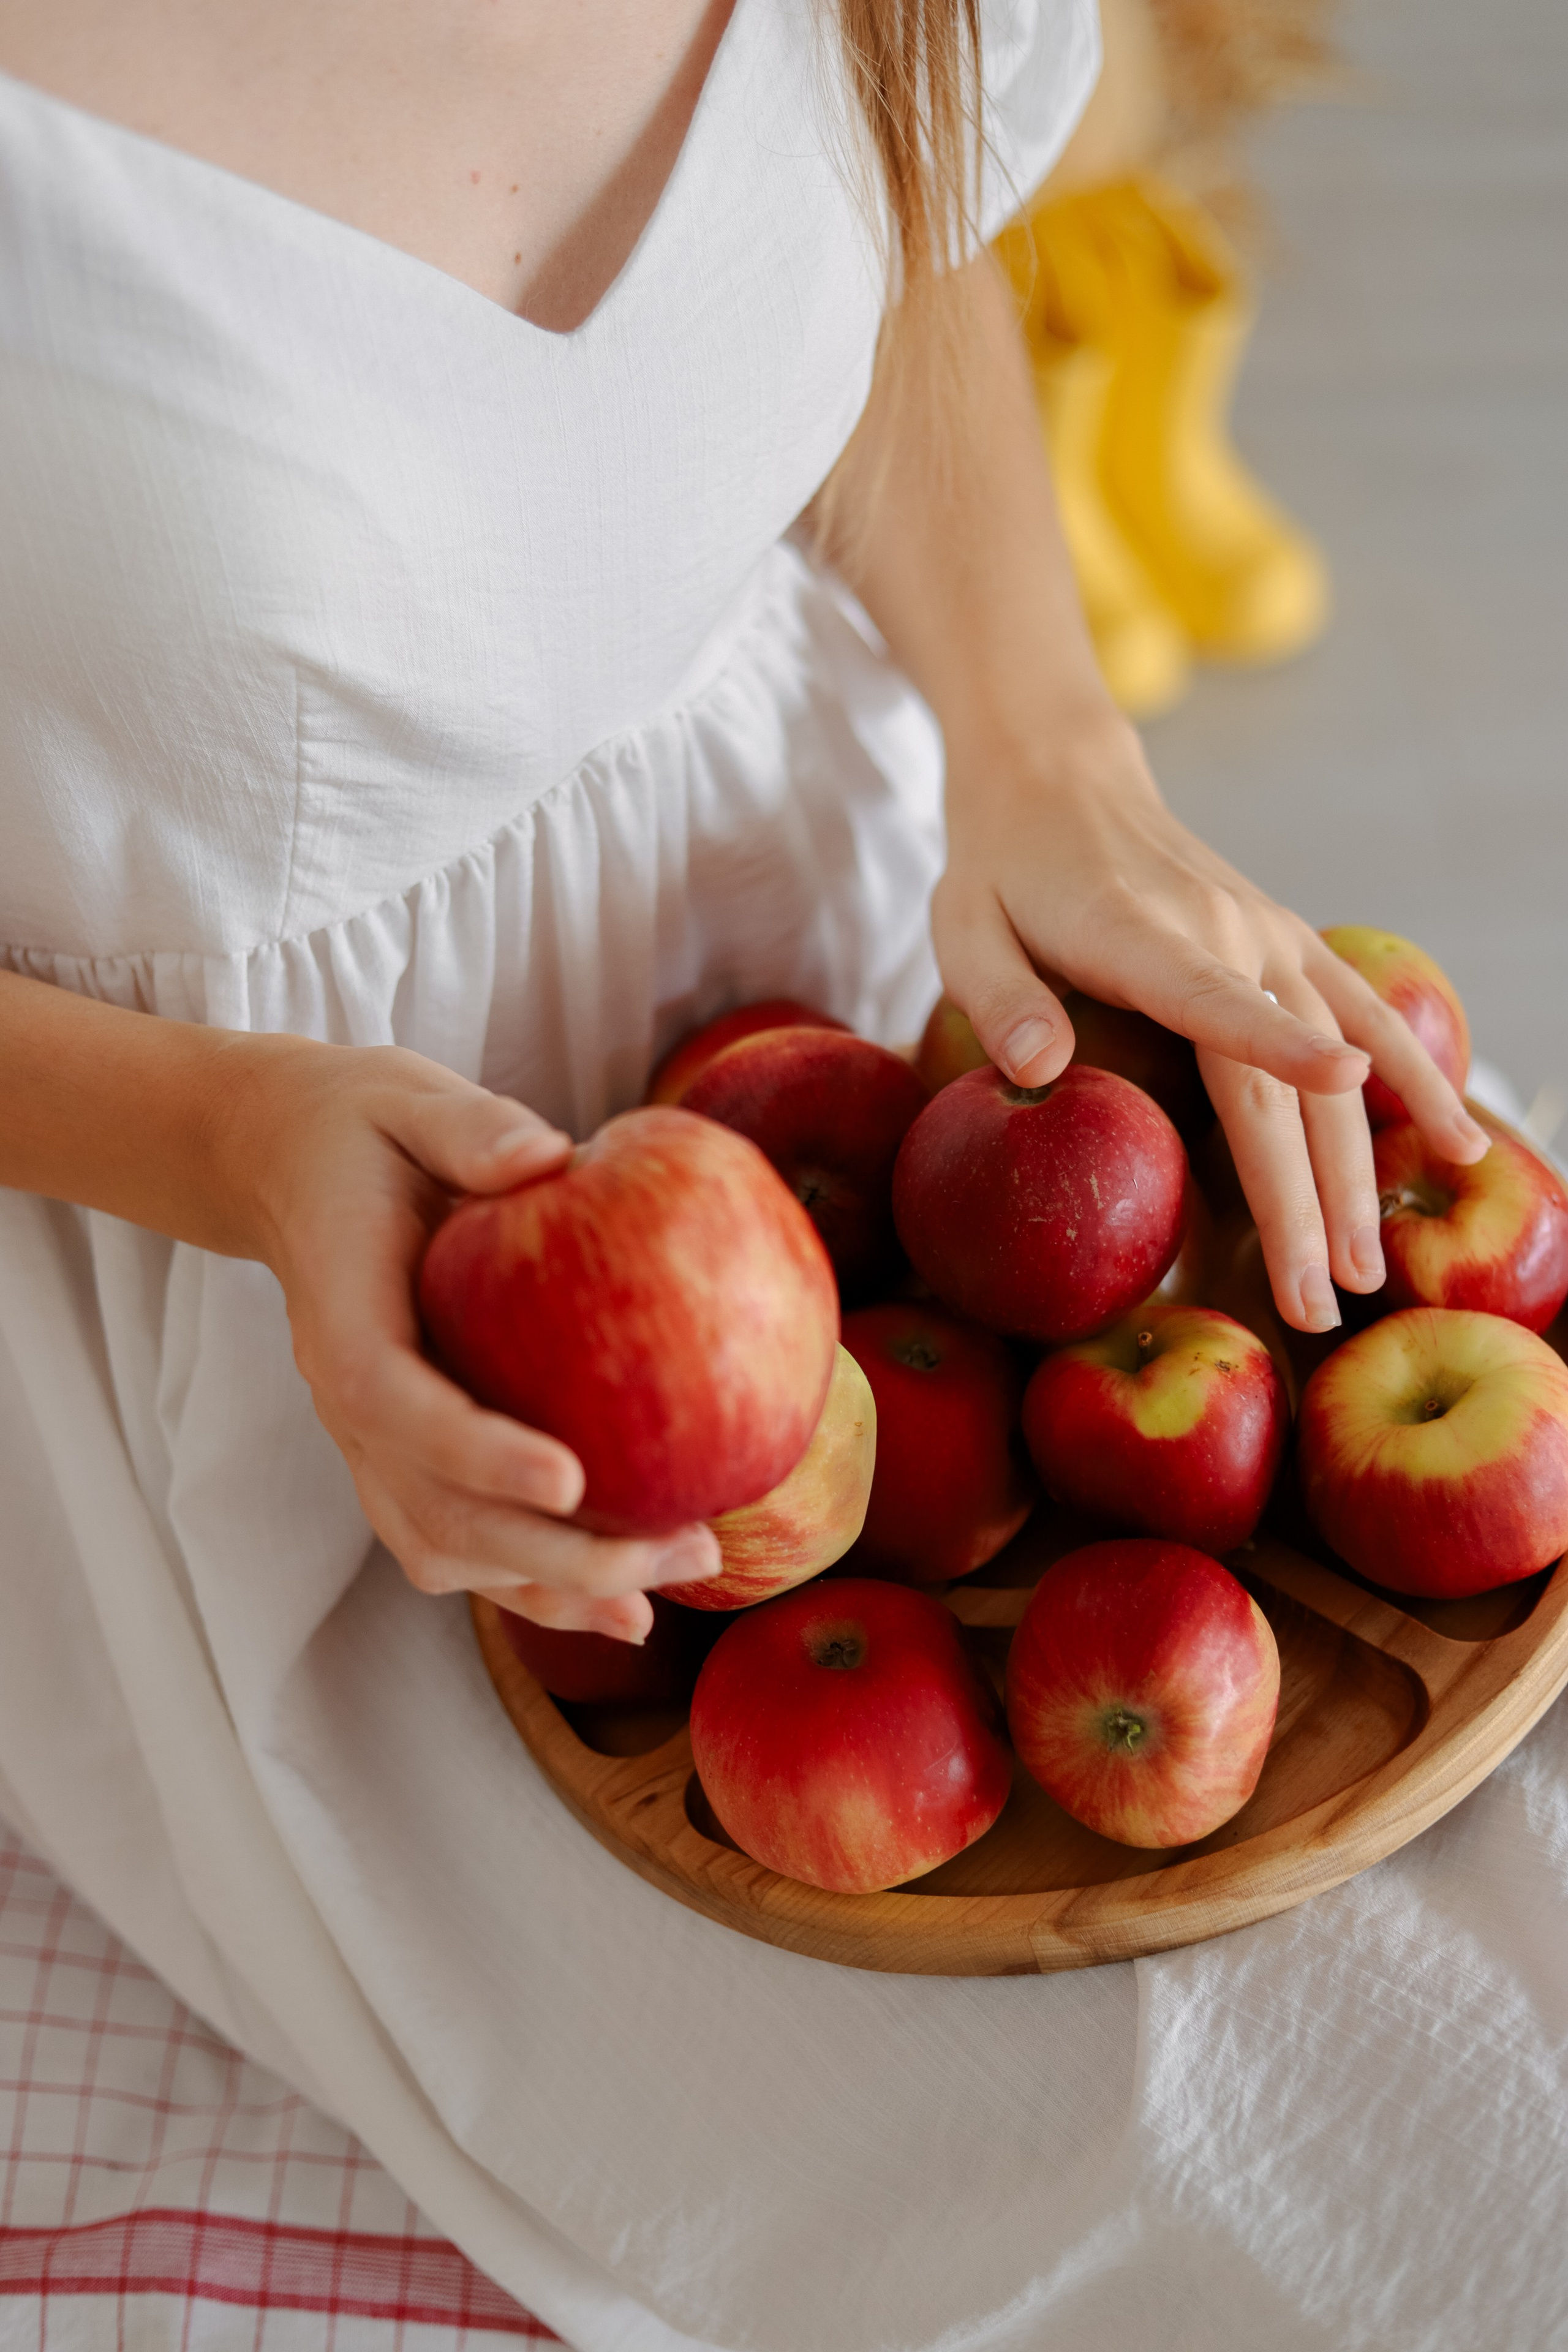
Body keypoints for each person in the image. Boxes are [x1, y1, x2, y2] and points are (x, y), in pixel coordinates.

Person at [0, 0, 1493, 2343]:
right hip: (323, 1339)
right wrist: (221, 1132)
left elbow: (875, 227)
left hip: (873, 1038)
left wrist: (1043, 746)